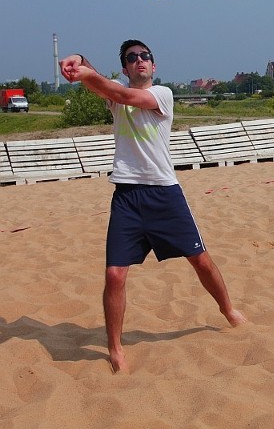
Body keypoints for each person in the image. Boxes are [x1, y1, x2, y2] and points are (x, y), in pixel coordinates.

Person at [59, 40, 247, 373]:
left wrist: (87, 72)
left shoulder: (162, 95)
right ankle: (115, 348)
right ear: (125, 68)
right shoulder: (115, 98)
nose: (140, 60)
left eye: (145, 56)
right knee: (114, 275)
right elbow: (107, 87)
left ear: (153, 66)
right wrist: (80, 62)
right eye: (132, 58)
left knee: (200, 260)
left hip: (164, 194)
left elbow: (124, 95)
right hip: (127, 197)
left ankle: (228, 309)